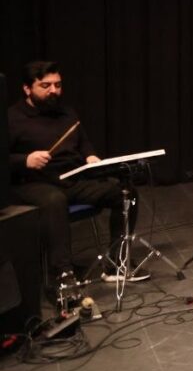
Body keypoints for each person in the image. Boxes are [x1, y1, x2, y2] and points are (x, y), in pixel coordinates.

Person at [7, 61, 146, 287]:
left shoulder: (67, 112)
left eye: (58, 85)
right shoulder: (11, 118)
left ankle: (116, 263)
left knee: (125, 192)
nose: (54, 90)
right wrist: (25, 160)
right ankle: (63, 276)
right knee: (55, 200)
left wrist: (90, 156)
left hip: (72, 178)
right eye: (45, 85)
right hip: (33, 183)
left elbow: (83, 143)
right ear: (27, 89)